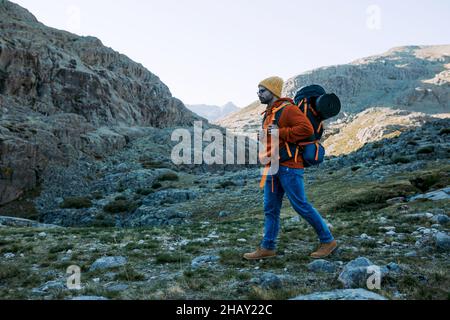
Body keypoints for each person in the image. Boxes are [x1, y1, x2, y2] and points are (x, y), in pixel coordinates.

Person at [243, 76, 337, 260]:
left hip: (289, 166)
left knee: (301, 205)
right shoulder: (268, 113)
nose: (259, 94)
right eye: (258, 91)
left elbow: (306, 130)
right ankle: (267, 247)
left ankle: (328, 241)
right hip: (272, 167)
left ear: (273, 91)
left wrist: (279, 132)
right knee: (270, 209)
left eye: (262, 90)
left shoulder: (288, 109)